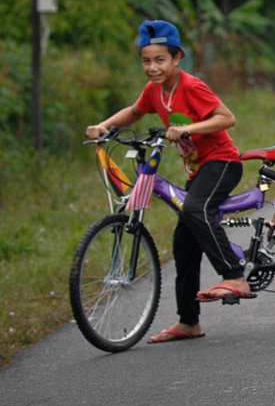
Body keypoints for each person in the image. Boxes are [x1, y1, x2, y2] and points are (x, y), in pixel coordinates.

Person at [86, 20, 253, 344]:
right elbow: (135, 112)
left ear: (177, 58)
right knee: (184, 244)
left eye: (160, 60)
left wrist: (187, 130)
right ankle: (188, 322)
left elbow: (226, 118)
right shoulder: (154, 92)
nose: (152, 67)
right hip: (199, 170)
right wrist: (103, 125)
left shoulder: (191, 86)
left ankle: (235, 277)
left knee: (195, 209)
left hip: (222, 163)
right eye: (146, 61)